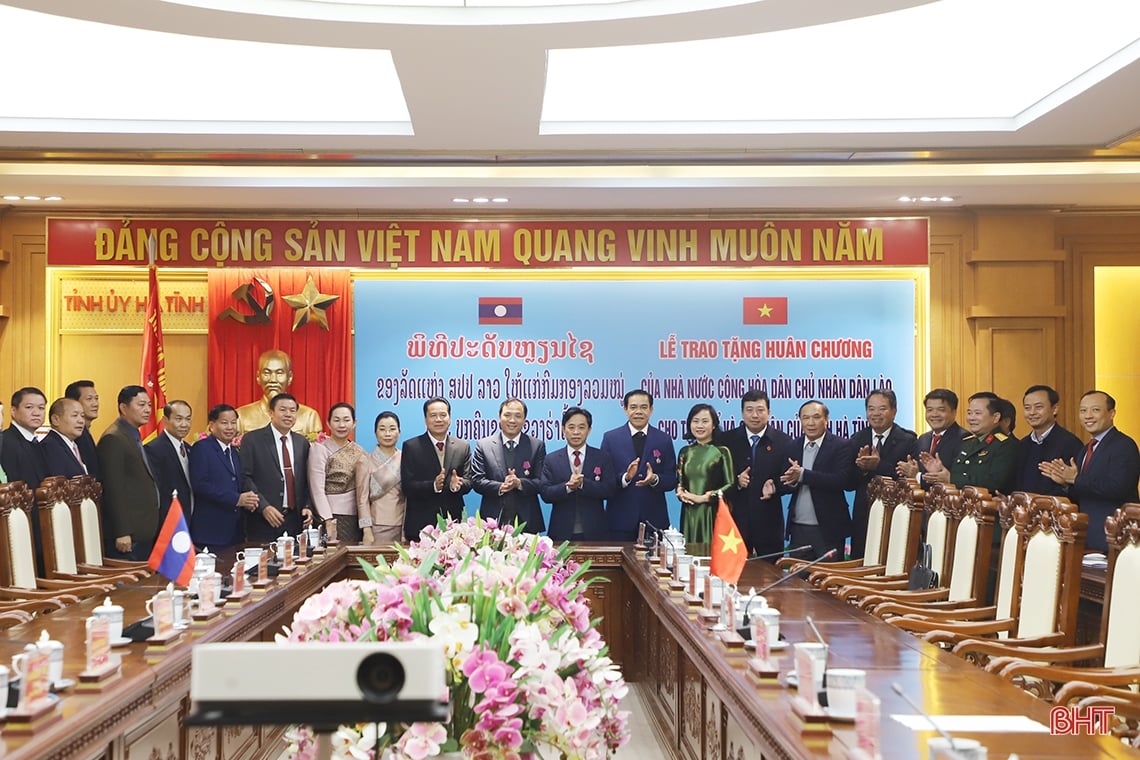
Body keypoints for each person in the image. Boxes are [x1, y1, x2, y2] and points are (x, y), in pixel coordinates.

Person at [1040, 390, 1140, 552]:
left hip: (1115, 535)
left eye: (1095, 410)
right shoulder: (1086, 448)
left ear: (1111, 413)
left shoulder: (1124, 445)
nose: (1088, 416)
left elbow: (1118, 488)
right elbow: (1083, 490)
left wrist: (1075, 479)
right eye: (1083, 410)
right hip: (1088, 534)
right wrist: (1065, 483)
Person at [779, 400, 855, 560]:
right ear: (800, 421)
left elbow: (842, 480)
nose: (811, 423)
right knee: (798, 581)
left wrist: (803, 475)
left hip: (829, 528)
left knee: (830, 580)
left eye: (816, 417)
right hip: (799, 527)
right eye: (805, 418)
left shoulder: (842, 446)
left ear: (826, 420)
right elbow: (785, 483)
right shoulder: (792, 446)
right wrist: (786, 482)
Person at [849, 389, 919, 559]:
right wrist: (863, 469)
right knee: (861, 561)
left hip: (895, 514)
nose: (876, 414)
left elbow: (905, 477)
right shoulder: (857, 438)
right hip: (864, 515)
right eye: (871, 409)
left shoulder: (908, 439)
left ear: (894, 411)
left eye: (882, 408)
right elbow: (848, 483)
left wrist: (878, 465)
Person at [723, 389, 792, 559]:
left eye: (760, 410)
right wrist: (736, 482)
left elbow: (791, 480)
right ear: (742, 412)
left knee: (771, 576)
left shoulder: (784, 442)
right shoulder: (727, 440)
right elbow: (717, 479)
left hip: (769, 523)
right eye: (749, 410)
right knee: (734, 577)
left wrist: (775, 487)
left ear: (769, 412)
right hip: (735, 523)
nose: (755, 415)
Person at [601, 390, 678, 542]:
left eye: (643, 407)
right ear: (625, 409)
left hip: (654, 520)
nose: (638, 412)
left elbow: (671, 479)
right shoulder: (611, 438)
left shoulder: (663, 439)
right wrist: (626, 477)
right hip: (620, 520)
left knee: (654, 565)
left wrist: (655, 479)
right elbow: (605, 480)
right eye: (633, 407)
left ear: (651, 410)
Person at [239, 393, 315, 543]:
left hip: (295, 520)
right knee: (264, 565)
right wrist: (263, 506)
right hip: (263, 519)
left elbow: (306, 480)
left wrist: (307, 506)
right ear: (271, 412)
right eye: (283, 410)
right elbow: (245, 477)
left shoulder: (302, 443)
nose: (288, 414)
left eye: (292, 411)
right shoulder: (252, 440)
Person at [97, 385, 160, 561]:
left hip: (144, 530)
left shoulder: (132, 435)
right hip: (129, 535)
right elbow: (113, 489)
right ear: (123, 408)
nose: (147, 410)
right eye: (141, 405)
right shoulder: (114, 438)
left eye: (149, 405)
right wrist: (122, 531)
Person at [400, 397, 472, 541]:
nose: (439, 419)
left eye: (443, 415)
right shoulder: (411, 447)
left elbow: (469, 482)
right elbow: (407, 487)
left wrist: (456, 486)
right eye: (433, 415)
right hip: (421, 525)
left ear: (450, 418)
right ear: (426, 419)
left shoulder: (462, 446)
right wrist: (433, 485)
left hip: (453, 527)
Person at [540, 406, 616, 542]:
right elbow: (545, 493)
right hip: (561, 532)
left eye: (581, 427)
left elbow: (610, 490)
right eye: (571, 427)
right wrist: (568, 487)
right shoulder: (551, 459)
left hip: (595, 531)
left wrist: (583, 484)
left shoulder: (602, 457)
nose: (576, 432)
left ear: (589, 430)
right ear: (563, 429)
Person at [471, 398, 547, 533]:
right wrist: (501, 486)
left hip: (526, 522)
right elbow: (477, 481)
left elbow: (541, 482)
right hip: (492, 522)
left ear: (524, 420)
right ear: (499, 417)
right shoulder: (484, 445)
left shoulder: (536, 445)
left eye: (518, 416)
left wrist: (519, 483)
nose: (512, 420)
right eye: (507, 415)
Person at [189, 404, 258, 548]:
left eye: (233, 423)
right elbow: (200, 485)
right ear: (212, 426)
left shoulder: (234, 451)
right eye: (224, 423)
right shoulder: (202, 448)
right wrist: (237, 499)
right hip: (211, 531)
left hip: (235, 531)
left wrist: (248, 500)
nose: (230, 427)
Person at [921, 392, 1016, 493]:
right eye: (969, 413)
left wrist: (951, 478)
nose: (971, 418)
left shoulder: (1005, 445)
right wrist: (940, 472)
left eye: (977, 413)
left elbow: (994, 484)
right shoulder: (968, 442)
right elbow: (960, 475)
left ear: (996, 417)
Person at [675, 403, 734, 545]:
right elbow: (680, 482)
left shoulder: (722, 451)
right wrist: (680, 492)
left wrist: (705, 498)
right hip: (689, 513)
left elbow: (730, 484)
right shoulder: (684, 452)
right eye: (695, 421)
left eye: (705, 421)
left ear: (714, 425)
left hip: (711, 513)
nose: (699, 426)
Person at [308, 402, 367, 543]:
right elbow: (316, 489)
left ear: (354, 423)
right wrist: (328, 520)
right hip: (330, 517)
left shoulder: (359, 451)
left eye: (346, 420)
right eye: (336, 420)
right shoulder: (319, 449)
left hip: (355, 519)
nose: (342, 425)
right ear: (328, 423)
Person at [235, 349, 323, 438]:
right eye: (267, 373)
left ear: (289, 377)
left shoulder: (309, 417)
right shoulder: (241, 416)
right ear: (258, 377)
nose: (273, 380)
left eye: (279, 373)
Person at [1015, 385, 1084, 496]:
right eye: (1027, 408)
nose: (1032, 412)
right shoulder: (1022, 444)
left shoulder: (1070, 443)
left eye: (1038, 407)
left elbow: (1077, 488)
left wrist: (1065, 485)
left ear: (1055, 409)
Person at [355, 411, 406, 546]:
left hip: (403, 526)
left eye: (392, 429)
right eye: (382, 429)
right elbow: (362, 499)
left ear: (399, 432)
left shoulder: (406, 458)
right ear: (375, 433)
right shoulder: (365, 461)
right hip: (376, 526)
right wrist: (367, 530)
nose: (387, 434)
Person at [897, 388, 969, 481]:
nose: (934, 414)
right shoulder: (923, 439)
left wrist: (917, 476)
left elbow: (955, 478)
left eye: (941, 410)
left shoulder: (964, 439)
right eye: (929, 410)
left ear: (954, 412)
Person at [144, 400, 194, 525]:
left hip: (190, 518)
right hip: (169, 521)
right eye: (179, 419)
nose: (184, 424)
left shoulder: (189, 448)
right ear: (166, 420)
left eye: (188, 419)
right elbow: (158, 490)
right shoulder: (153, 449)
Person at [1, 386, 47, 488]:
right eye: (29, 407)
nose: (36, 413)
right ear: (13, 411)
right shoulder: (7, 442)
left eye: (41, 408)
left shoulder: (35, 441)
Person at [41, 397, 91, 479]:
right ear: (55, 419)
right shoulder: (50, 447)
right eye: (75, 415)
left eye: (82, 416)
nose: (81, 421)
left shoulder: (74, 445)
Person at [64, 379, 102, 481]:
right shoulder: (76, 435)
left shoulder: (85, 432)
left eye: (96, 398)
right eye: (89, 399)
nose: (95, 403)